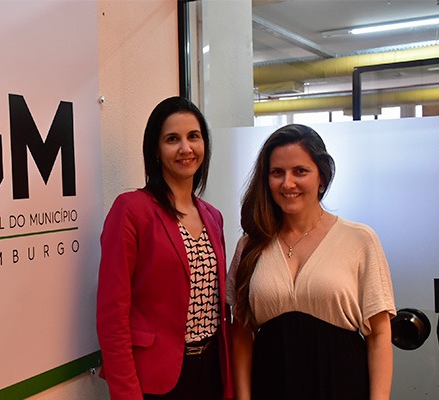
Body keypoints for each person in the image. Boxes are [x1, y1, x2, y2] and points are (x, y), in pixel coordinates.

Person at [226, 124, 396, 400]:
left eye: (300, 171)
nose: (287, 183)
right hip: (270, 386)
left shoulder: (360, 240)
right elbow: (242, 333)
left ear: (322, 178)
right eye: (277, 172)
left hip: (342, 386)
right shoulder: (250, 246)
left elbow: (379, 335)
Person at [96, 96, 234, 400]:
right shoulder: (131, 210)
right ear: (156, 150)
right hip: (156, 379)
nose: (186, 148)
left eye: (193, 136)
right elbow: (112, 316)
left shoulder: (213, 217)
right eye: (173, 139)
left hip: (211, 370)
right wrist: (126, 393)